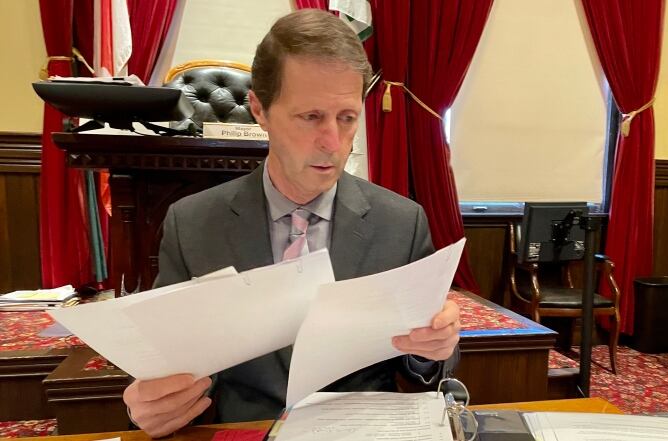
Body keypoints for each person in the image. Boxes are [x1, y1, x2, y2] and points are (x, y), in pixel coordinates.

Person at [122, 8, 461, 438]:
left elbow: (428, 365)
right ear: (260, 109)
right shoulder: (193, 224)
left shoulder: (401, 222)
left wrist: (430, 351)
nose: (333, 143)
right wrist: (148, 405)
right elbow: (163, 361)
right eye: (311, 117)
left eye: (347, 117)